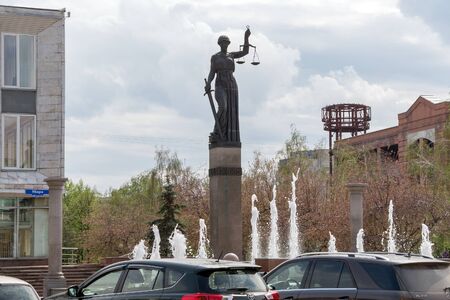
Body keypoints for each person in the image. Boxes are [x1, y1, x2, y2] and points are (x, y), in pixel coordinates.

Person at [205, 27, 251, 143]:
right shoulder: (215, 57)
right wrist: (209, 83)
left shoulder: (231, 55)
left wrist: (246, 38)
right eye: (223, 43)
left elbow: (245, 52)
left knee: (231, 110)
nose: (225, 45)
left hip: (231, 84)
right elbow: (212, 72)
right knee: (223, 107)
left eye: (227, 43)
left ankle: (225, 135)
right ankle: (217, 131)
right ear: (219, 44)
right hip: (220, 83)